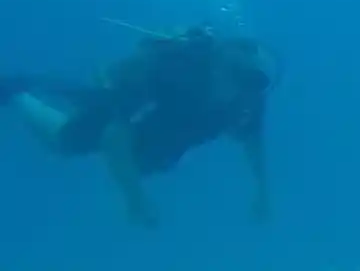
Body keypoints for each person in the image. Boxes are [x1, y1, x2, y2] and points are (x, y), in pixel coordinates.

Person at [1, 25, 274, 226]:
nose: (241, 91)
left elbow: (252, 139)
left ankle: (36, 86)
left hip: (161, 134)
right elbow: (113, 138)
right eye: (237, 77)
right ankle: (19, 90)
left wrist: (262, 191)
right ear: (217, 65)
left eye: (252, 82)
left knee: (150, 159)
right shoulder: (170, 77)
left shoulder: (248, 98)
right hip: (122, 108)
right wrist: (136, 201)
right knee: (64, 140)